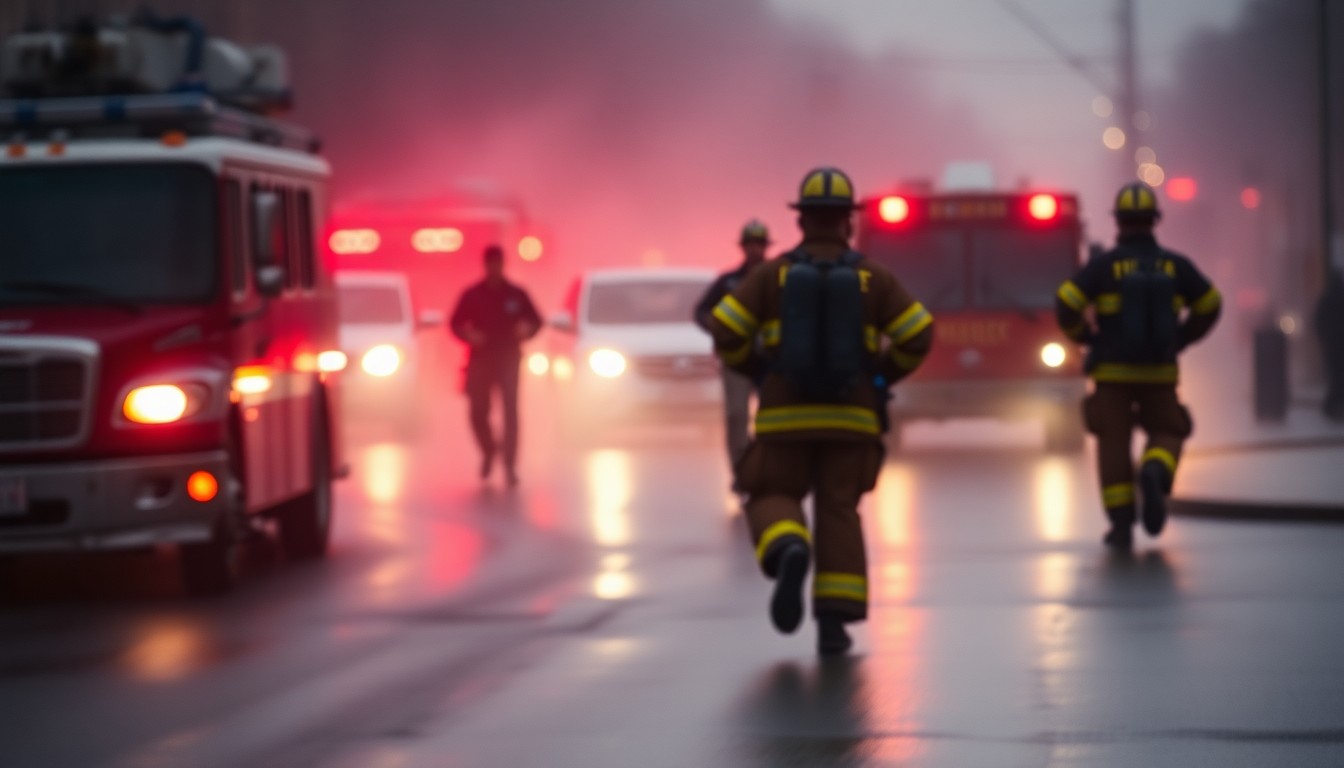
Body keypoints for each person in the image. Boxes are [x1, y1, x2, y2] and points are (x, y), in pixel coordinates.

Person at [707, 167, 934, 655]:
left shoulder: (772, 275)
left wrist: (760, 372)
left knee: (770, 489)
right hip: (852, 420)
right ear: (847, 222)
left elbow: (725, 329)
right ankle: (834, 622)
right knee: (839, 511)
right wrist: (880, 377)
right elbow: (919, 334)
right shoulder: (874, 278)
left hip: (784, 418)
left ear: (802, 221)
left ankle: (789, 546)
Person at [1055, 182, 1222, 550]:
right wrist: (1182, 337)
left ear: (1119, 223)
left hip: (1112, 375)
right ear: (1154, 221)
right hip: (1160, 373)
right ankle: (1155, 469)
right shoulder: (1176, 266)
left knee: (1113, 443)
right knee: (1169, 430)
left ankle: (1121, 524)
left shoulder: (1103, 267)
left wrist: (1087, 337)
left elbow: (1066, 302)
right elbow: (1211, 303)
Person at [449, 244, 542, 487]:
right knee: (477, 411)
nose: (494, 268)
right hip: (481, 359)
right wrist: (469, 336)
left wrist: (527, 331)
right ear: (485, 265)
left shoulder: (516, 294)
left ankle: (510, 465)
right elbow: (455, 323)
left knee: (510, 410)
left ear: (503, 264)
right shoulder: (473, 295)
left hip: (509, 357)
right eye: (491, 264)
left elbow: (536, 321)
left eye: (498, 263)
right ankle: (489, 449)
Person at [694, 219, 772, 490]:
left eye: (759, 244)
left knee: (772, 416)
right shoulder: (728, 282)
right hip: (736, 360)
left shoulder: (778, 279)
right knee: (736, 415)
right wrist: (719, 331)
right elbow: (701, 312)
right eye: (750, 244)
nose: (755, 249)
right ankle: (742, 472)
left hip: (770, 360)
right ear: (743, 247)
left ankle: (768, 468)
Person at [1314, 267, 1344, 421]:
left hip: (1331, 345)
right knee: (1337, 376)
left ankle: (1332, 406)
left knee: (1335, 375)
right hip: (1337, 344)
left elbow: (1318, 322)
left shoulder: (1326, 299)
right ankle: (1332, 406)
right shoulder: (1337, 299)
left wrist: (1322, 339)